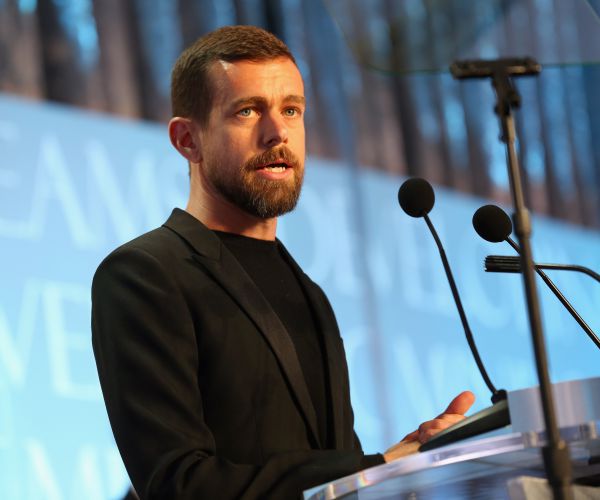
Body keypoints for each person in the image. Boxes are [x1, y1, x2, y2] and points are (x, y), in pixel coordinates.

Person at [92, 25, 475, 500]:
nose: (278, 132)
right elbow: (179, 484)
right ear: (188, 139)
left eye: (291, 110)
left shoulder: (309, 294)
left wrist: (408, 463)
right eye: (248, 111)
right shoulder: (145, 274)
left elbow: (334, 470)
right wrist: (377, 467)